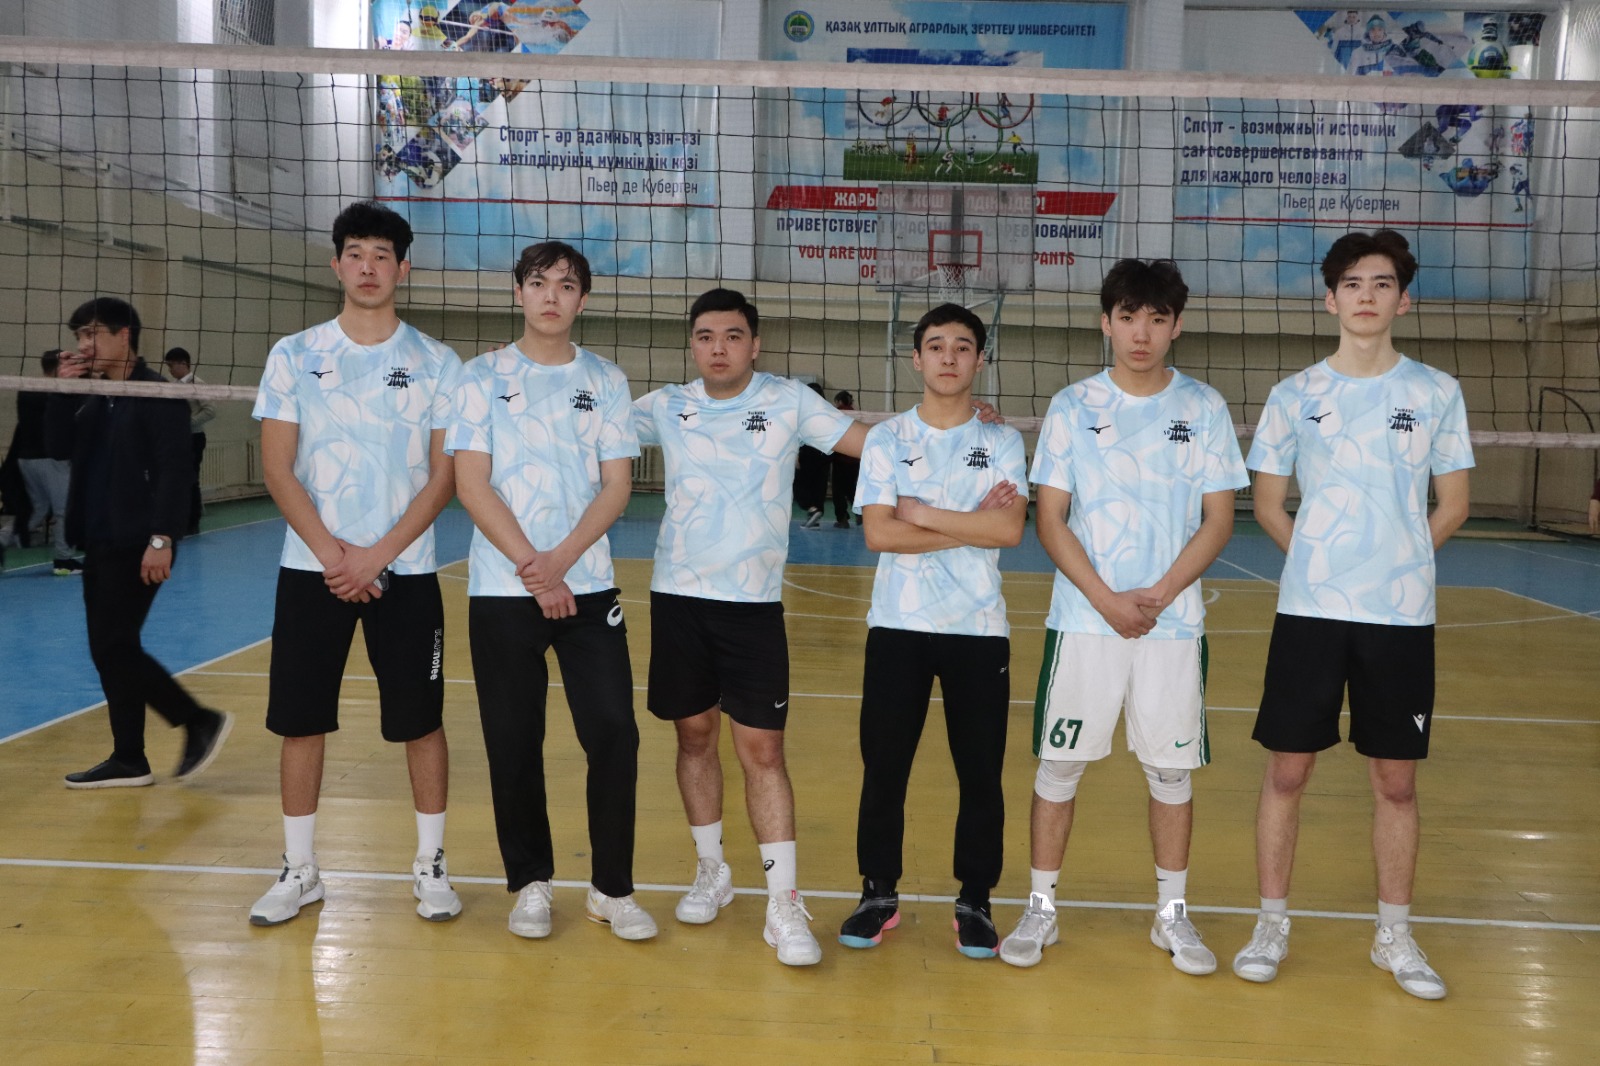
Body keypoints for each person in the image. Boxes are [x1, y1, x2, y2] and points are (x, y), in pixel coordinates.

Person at [1232, 230, 1473, 1000]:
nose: (1366, 296)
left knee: (1396, 783)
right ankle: (1271, 923)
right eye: (1352, 284)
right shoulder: (1294, 395)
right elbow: (1269, 504)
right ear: (1330, 298)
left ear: (1404, 300)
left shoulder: (1436, 391)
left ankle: (1393, 935)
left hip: (1400, 618)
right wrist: (1320, 562)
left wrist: (1398, 559)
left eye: (1382, 283)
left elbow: (1454, 503)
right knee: (1287, 770)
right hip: (1311, 612)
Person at [998, 260, 1247, 973]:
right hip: (1085, 622)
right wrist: (1106, 601)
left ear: (1177, 326)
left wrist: (1160, 594)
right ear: (1106, 322)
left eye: (1157, 319)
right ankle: (1041, 908)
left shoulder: (1203, 407)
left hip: (1173, 625)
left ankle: (1172, 915)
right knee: (1059, 767)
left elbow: (1219, 518)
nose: (1143, 333)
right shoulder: (1072, 405)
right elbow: (1050, 517)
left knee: (1171, 775)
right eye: (1129, 317)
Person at [633, 287, 867, 966]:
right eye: (706, 336)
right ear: (692, 344)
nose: (719, 348)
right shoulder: (667, 405)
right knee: (693, 736)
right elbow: (579, 424)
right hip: (678, 599)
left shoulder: (790, 401)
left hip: (753, 608)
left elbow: (872, 445)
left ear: (755, 345)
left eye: (733, 336)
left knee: (763, 751)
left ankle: (783, 903)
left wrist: (960, 425)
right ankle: (712, 869)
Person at [248, 202, 464, 927]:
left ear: (404, 268)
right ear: (336, 264)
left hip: (407, 570)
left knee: (421, 722)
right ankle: (298, 868)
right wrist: (335, 555)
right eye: (355, 254)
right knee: (300, 721)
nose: (368, 267)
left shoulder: (438, 362)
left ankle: (430, 864)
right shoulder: (293, 354)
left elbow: (444, 476)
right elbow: (278, 468)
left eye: (382, 255)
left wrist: (376, 555)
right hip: (313, 570)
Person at [448, 240, 656, 942]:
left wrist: (560, 564)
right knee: (513, 739)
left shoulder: (607, 379)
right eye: (538, 283)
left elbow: (617, 485)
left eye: (566, 286)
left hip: (587, 587)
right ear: (518, 292)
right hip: (503, 589)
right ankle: (530, 882)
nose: (550, 296)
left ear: (582, 300)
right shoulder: (479, 377)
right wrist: (533, 569)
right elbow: (470, 482)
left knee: (615, 734)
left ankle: (612, 889)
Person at [836, 303, 1027, 958]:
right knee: (884, 768)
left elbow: (1009, 530)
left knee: (981, 774)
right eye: (937, 346)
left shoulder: (1001, 441)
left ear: (980, 359)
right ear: (916, 358)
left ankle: (975, 899)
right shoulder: (887, 439)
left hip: (978, 629)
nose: (949, 357)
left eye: (963, 346)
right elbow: (878, 533)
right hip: (898, 626)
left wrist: (918, 512)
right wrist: (967, 523)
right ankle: (877, 893)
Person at [57, 298, 232, 788]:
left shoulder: (156, 393)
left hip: (137, 540)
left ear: (124, 335)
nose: (84, 345)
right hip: (98, 537)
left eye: (93, 334)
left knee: (114, 644)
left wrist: (162, 537)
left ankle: (196, 720)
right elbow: (57, 447)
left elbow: (176, 470)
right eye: (79, 336)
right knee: (110, 648)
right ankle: (129, 757)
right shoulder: (97, 397)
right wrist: (62, 393)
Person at [16, 350, 82, 573]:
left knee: (39, 508)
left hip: (26, 458)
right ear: (59, 366)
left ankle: (3, 538)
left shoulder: (27, 387)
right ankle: (63, 560)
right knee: (64, 510)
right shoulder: (57, 392)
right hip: (50, 459)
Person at [162, 347, 215, 537]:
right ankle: (180, 519)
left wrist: (187, 424)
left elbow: (210, 411)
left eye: (172, 366)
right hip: (177, 439)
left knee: (191, 480)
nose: (170, 370)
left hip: (194, 438)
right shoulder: (174, 385)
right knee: (178, 481)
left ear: (183, 364)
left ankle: (193, 522)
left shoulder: (196, 384)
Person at [792, 383, 830, 529]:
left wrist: (795, 454)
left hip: (809, 451)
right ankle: (815, 515)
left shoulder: (803, 411)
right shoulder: (828, 411)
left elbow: (797, 434)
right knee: (819, 484)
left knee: (798, 484)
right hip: (825, 452)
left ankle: (812, 509)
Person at [831, 391, 861, 528]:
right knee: (851, 488)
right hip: (855, 459)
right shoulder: (857, 414)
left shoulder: (836, 413)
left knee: (838, 491)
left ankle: (842, 518)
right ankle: (860, 512)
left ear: (839, 401)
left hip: (840, 458)